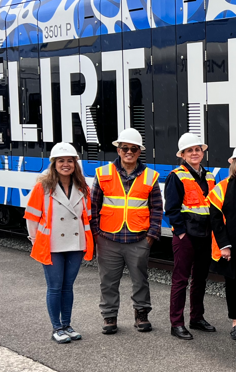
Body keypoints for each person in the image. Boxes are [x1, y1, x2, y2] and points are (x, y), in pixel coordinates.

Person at [91, 128, 163, 334]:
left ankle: (141, 315)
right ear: (118, 150)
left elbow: (157, 208)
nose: (129, 152)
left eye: (133, 148)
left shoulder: (150, 176)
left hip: (138, 239)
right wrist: (96, 234)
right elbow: (93, 206)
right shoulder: (103, 173)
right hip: (108, 238)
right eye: (125, 148)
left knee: (140, 280)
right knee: (108, 281)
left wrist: (151, 236)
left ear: (139, 151)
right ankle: (109, 317)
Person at [24, 142, 94, 344]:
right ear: (54, 164)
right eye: (61, 161)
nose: (66, 164)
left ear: (75, 164)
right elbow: (31, 217)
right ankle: (57, 327)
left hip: (75, 244)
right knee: (55, 287)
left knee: (68, 287)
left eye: (70, 161)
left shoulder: (82, 188)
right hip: (51, 245)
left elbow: (86, 217)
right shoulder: (43, 187)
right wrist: (36, 240)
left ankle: (68, 325)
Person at [164, 133, 216, 340]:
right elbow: (172, 209)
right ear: (183, 155)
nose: (195, 153)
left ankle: (196, 318)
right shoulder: (176, 176)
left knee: (201, 279)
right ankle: (176, 323)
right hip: (187, 236)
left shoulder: (209, 176)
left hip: (205, 235)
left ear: (202, 153)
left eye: (197, 149)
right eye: (190, 150)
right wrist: (182, 232)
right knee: (180, 280)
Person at [208, 143, 236, 340]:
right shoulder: (223, 187)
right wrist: (224, 245)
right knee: (233, 286)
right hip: (233, 248)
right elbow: (215, 219)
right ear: (234, 165)